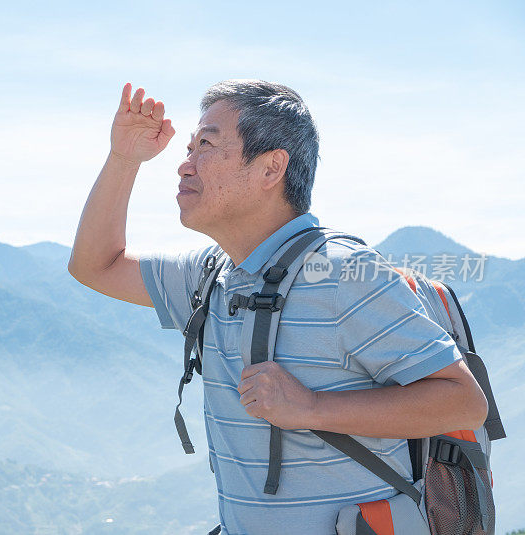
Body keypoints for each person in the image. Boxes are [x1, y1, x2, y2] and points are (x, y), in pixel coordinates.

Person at [67, 80, 488, 534]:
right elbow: (96, 265)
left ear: (271, 168)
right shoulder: (211, 275)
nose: (184, 166)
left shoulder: (343, 275)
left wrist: (311, 407)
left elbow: (463, 402)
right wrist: (124, 158)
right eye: (189, 148)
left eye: (205, 145)